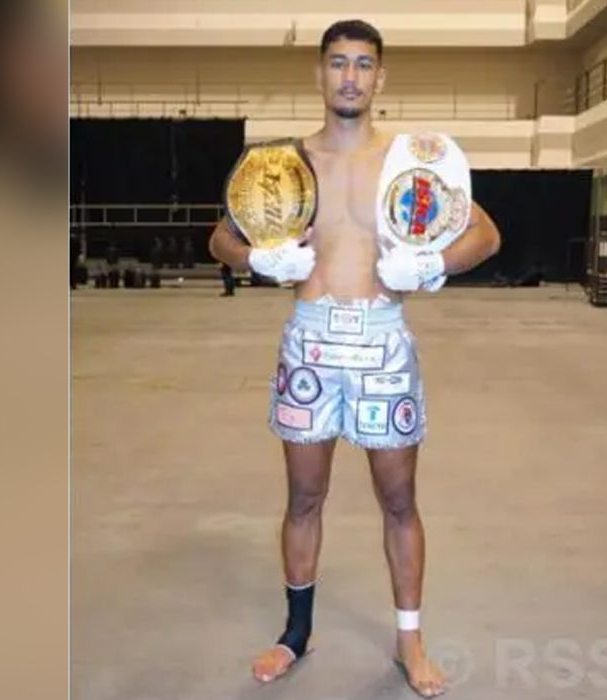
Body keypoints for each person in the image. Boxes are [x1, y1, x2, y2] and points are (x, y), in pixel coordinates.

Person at [208, 19, 501, 697]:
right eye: (338, 63)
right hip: (309, 341)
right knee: (304, 497)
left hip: (382, 341)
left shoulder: (408, 163)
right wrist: (257, 259)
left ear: (380, 78)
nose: (350, 77)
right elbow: (219, 238)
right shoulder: (283, 164)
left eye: (363, 65)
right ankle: (295, 633)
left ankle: (410, 640)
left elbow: (485, 234)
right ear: (319, 73)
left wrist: (432, 264)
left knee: (398, 501)